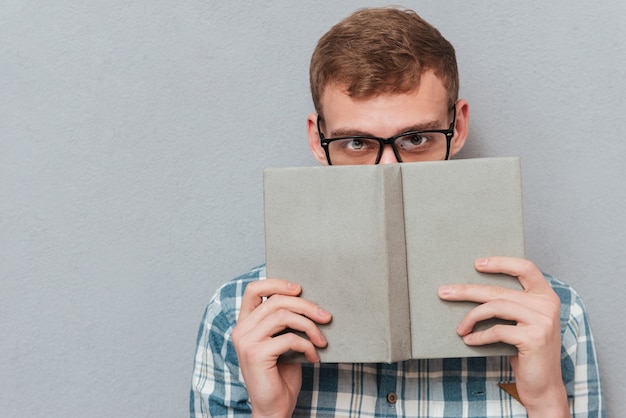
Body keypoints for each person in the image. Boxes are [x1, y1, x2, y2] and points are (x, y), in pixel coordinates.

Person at [190, 7, 604, 417]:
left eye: (417, 138)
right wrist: (270, 413)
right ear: (318, 142)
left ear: (457, 128)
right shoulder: (237, 322)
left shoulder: (555, 319)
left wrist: (546, 400)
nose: (389, 170)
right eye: (356, 144)